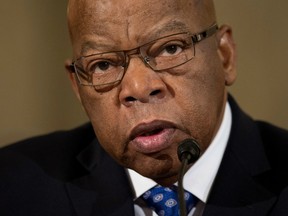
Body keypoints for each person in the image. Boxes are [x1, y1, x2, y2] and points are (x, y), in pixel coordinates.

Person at [0, 0, 288, 215]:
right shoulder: (13, 189)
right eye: (103, 64)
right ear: (78, 86)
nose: (137, 88)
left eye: (170, 48)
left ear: (224, 55)